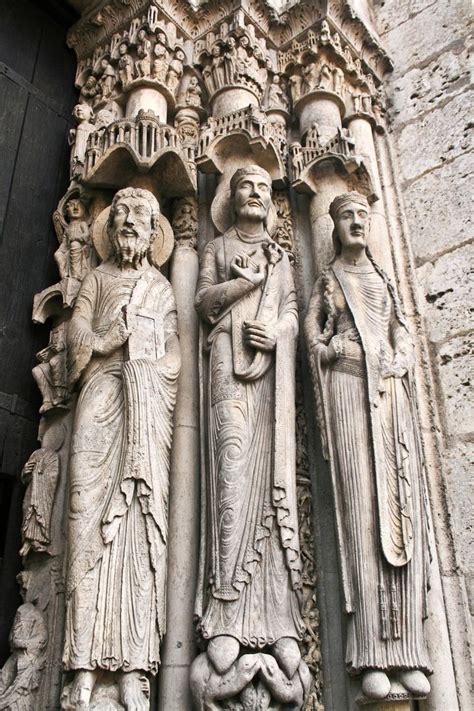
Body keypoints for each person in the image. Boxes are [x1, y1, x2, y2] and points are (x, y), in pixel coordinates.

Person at [304, 192, 432, 701]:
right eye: (346, 217)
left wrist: (400, 360)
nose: (356, 222)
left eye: (362, 215)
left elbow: (403, 335)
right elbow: (311, 336)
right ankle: (371, 653)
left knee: (403, 510)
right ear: (333, 227)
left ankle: (410, 651)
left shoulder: (382, 280)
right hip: (348, 394)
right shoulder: (330, 280)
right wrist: (330, 350)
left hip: (391, 398)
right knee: (362, 514)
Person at [62, 187, 180, 710]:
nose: (131, 222)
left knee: (140, 530)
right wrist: (109, 339)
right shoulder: (97, 279)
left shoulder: (161, 288)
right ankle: (81, 663)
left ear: (155, 230)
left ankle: (135, 665)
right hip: (101, 396)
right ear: (111, 226)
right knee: (85, 520)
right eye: (124, 213)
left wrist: (155, 368)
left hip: (146, 407)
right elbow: (74, 336)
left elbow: (176, 351)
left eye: (142, 216)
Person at [193, 166, 305, 703]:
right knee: (232, 486)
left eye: (264, 186)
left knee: (272, 486)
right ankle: (227, 612)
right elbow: (203, 304)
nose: (257, 193)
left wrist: (279, 333)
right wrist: (244, 284)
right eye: (246, 185)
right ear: (229, 196)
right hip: (223, 370)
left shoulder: (283, 257)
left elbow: (292, 315)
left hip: (270, 379)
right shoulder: (217, 247)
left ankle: (278, 615)